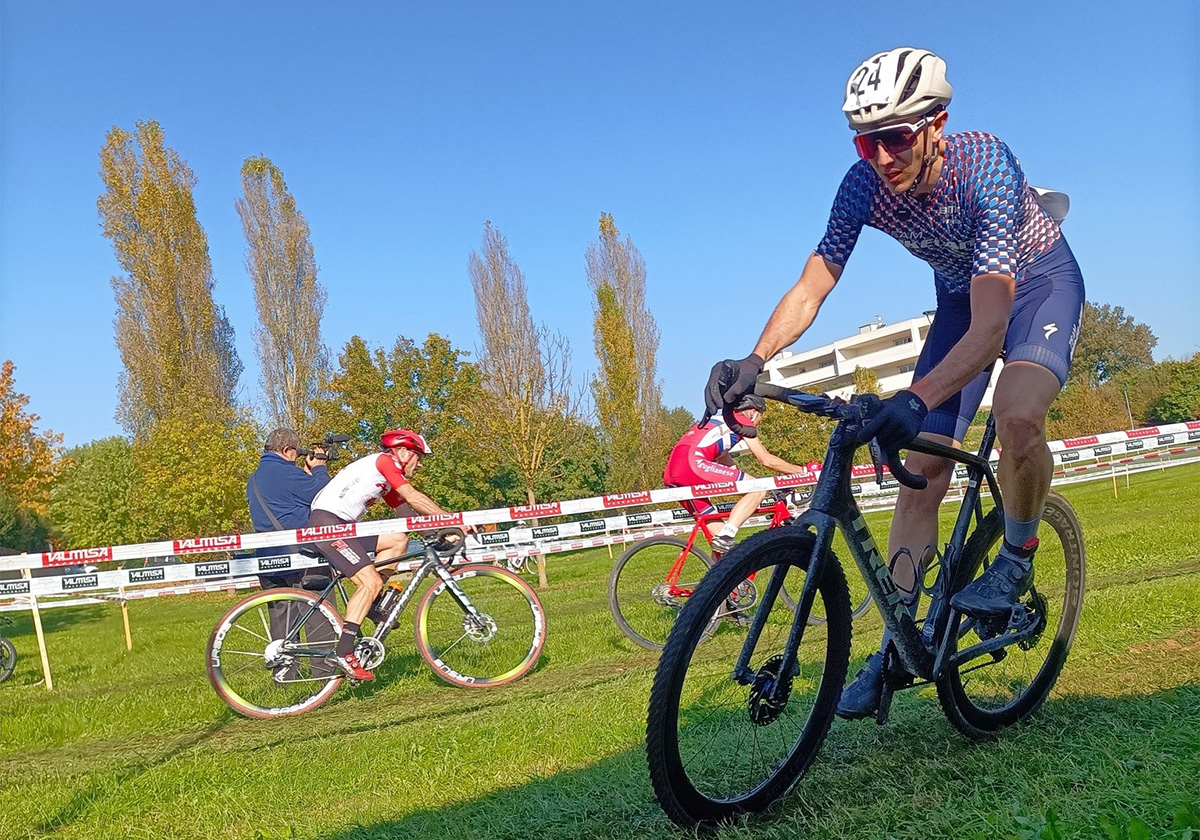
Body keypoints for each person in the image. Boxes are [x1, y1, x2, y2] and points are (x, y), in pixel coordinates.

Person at [703, 47, 1085, 719]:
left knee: (1020, 416)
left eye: (897, 136)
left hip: (1034, 286)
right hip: (960, 301)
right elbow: (814, 283)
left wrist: (915, 397)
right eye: (866, 140)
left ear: (938, 123)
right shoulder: (862, 186)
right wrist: (754, 360)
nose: (881, 155)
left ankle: (1018, 555)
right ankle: (896, 648)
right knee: (919, 472)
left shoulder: (985, 163)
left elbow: (995, 324)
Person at [307, 428, 462, 681]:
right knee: (371, 581)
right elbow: (413, 497)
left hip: (339, 525)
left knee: (399, 540)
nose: (420, 464)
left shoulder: (385, 479)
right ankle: (344, 651)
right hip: (328, 524)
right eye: (417, 456)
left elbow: (406, 516)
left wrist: (437, 533)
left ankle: (374, 602)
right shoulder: (384, 462)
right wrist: (453, 521)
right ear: (402, 452)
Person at [666, 393, 807, 557]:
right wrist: (803, 472)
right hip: (693, 464)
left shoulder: (721, 422)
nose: (759, 423)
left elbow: (730, 468)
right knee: (758, 489)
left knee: (719, 541)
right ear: (753, 412)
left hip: (672, 472)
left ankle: (722, 580)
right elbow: (766, 459)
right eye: (761, 416)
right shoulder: (742, 421)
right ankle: (728, 535)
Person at [246, 428, 333, 679]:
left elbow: (288, 500)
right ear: (287, 450)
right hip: (300, 556)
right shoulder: (287, 473)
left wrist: (305, 472)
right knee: (318, 611)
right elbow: (322, 494)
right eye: (296, 452)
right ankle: (323, 675)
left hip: (268, 559)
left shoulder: (253, 479)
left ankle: (285, 675)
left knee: (281, 618)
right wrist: (319, 467)